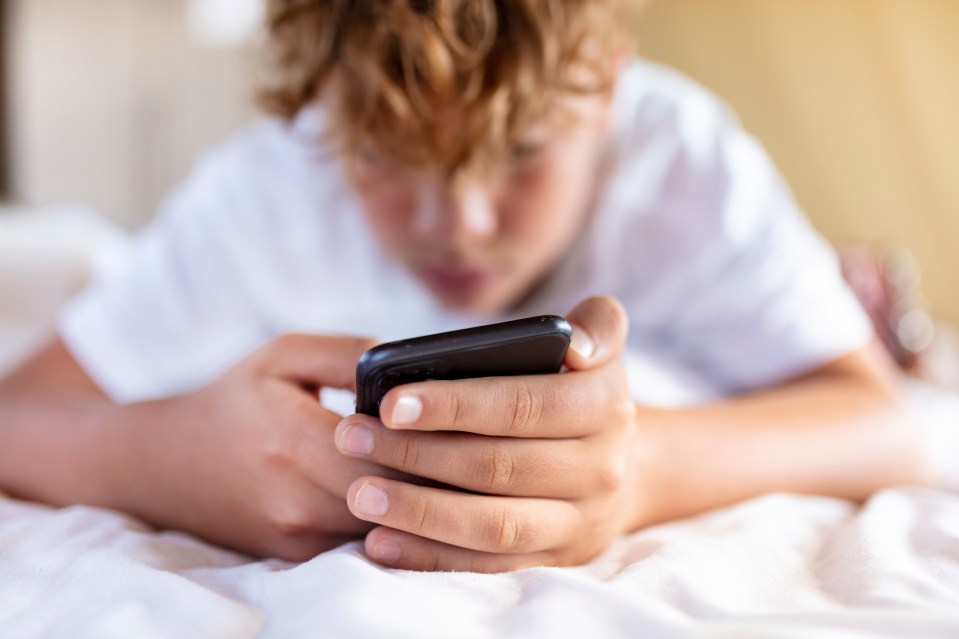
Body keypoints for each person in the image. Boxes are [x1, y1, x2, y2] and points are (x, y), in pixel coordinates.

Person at [0, 0, 928, 573]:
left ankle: (854, 283)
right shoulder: (268, 186)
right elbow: (19, 413)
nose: (459, 223)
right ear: (326, 102)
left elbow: (889, 423)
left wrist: (643, 471)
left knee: (864, 318)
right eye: (389, 155)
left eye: (521, 152)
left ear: (607, 86)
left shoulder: (679, 162)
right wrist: (163, 459)